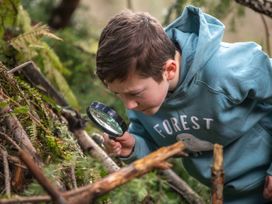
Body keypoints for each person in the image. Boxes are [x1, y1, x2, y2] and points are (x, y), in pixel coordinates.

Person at [95, 5, 272, 203]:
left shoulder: (224, 70)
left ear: (169, 69)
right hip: (231, 196)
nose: (129, 106)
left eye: (134, 93)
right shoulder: (145, 102)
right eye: (118, 95)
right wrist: (133, 147)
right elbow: (155, 142)